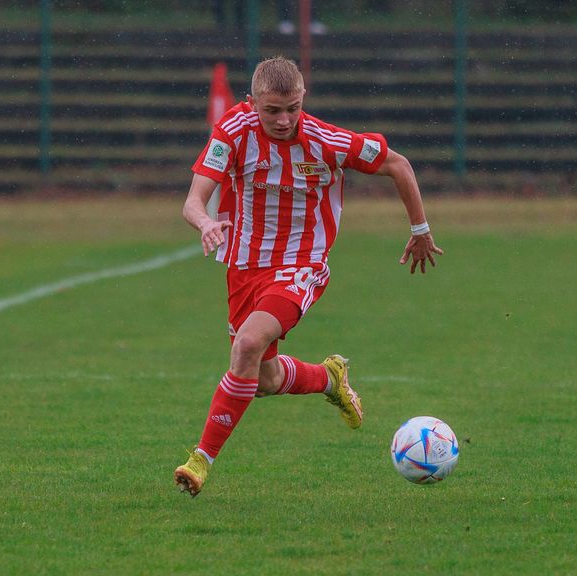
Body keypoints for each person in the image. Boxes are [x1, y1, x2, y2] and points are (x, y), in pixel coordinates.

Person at [175, 56, 443, 497]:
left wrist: (420, 229)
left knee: (246, 344)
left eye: (293, 108)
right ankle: (328, 378)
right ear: (252, 103)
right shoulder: (233, 131)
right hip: (244, 268)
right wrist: (205, 223)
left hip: (302, 265)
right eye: (272, 110)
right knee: (261, 380)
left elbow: (399, 165)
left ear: (303, 100)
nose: (283, 120)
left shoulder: (328, 141)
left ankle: (199, 461)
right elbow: (192, 201)